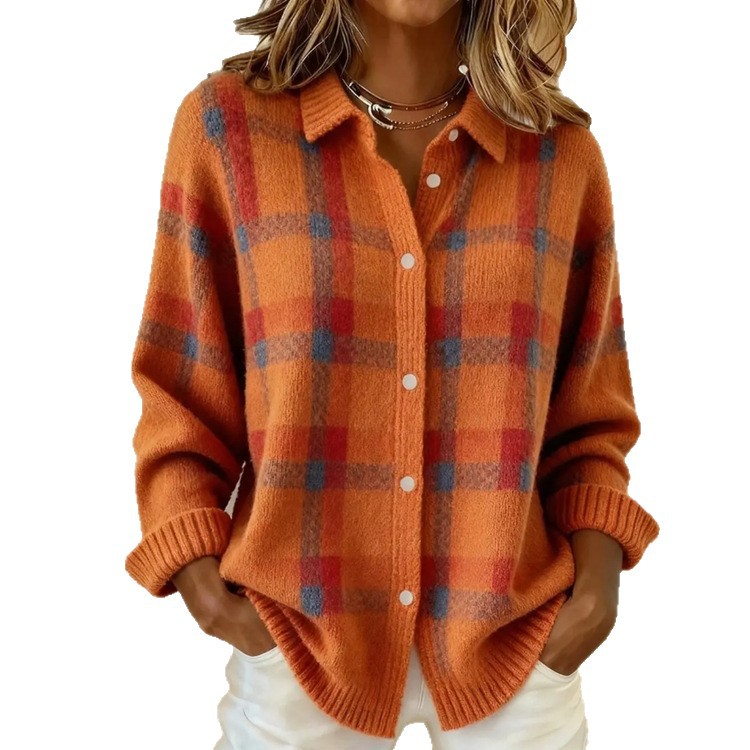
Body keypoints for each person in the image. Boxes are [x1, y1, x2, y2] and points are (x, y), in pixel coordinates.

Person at [125, 1, 661, 748]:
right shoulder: (228, 130)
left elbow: (590, 416)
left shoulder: (560, 157)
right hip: (300, 641)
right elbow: (181, 387)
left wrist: (596, 594)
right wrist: (204, 585)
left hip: (516, 644)